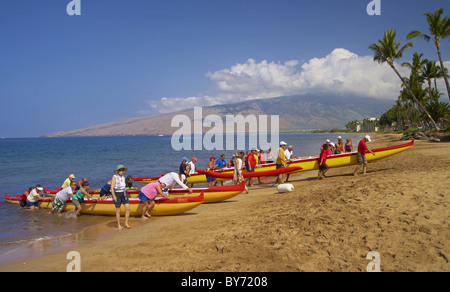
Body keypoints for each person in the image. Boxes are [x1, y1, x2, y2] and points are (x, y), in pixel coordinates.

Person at [111, 165, 130, 230]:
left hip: (124, 193)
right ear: (117, 171)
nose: (121, 171)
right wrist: (114, 196)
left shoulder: (123, 176)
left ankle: (126, 223)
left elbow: (123, 186)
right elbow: (112, 187)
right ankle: (118, 224)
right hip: (117, 193)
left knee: (127, 208)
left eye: (122, 170)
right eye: (120, 170)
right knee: (118, 210)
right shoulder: (114, 177)